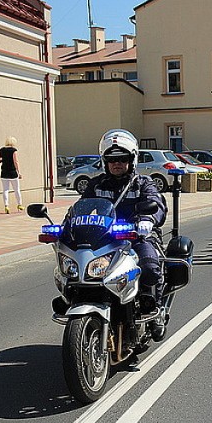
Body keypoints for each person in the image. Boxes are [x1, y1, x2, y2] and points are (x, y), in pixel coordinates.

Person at [81, 129, 168, 341]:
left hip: (137, 237)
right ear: (105, 161)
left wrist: (148, 220)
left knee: (148, 266)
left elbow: (157, 203)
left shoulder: (143, 183)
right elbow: (81, 208)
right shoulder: (96, 185)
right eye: (111, 160)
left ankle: (151, 307)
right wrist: (67, 226)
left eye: (122, 159)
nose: (116, 164)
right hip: (105, 241)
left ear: (132, 159)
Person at [0, 136, 23, 214]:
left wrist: (3, 160)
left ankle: (6, 206)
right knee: (16, 189)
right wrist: (19, 172)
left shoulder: (1, 150)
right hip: (12, 172)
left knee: (5, 190)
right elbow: (16, 161)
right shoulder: (14, 150)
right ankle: (19, 204)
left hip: (4, 172)